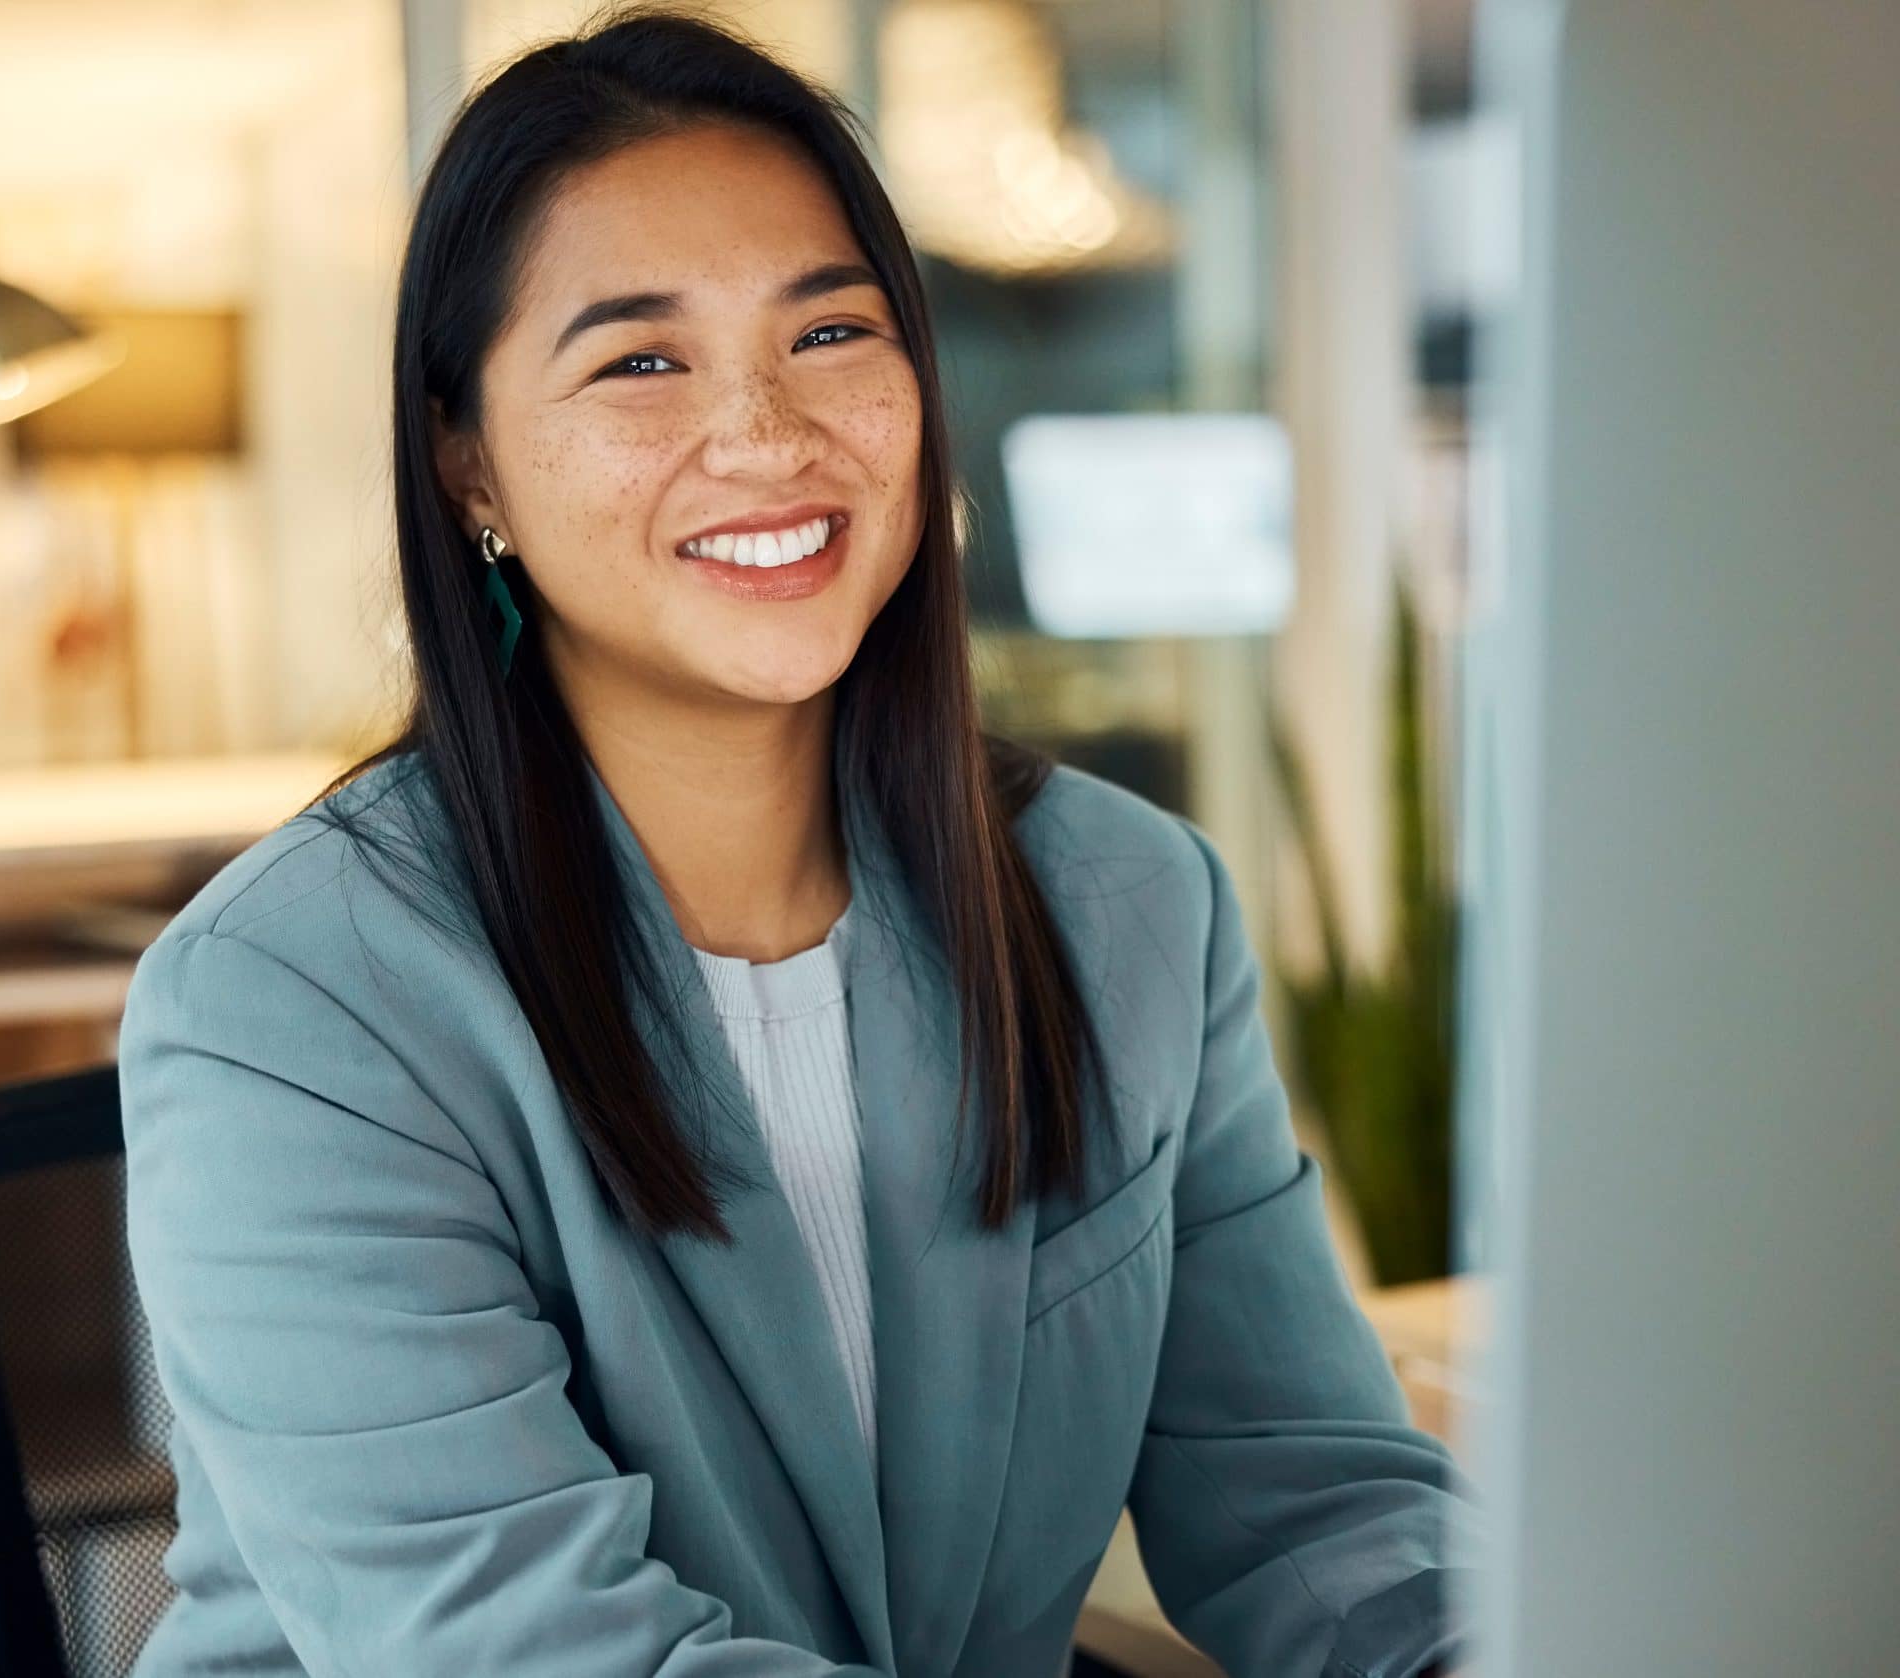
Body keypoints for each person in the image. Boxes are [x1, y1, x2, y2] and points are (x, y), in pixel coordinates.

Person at [117, 7, 1478, 1675]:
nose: (767, 433)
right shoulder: (294, 1006)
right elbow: (533, 1651)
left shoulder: (1128, 907)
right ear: (468, 457)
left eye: (830, 334)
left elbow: (1316, 1504)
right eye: (639, 358)